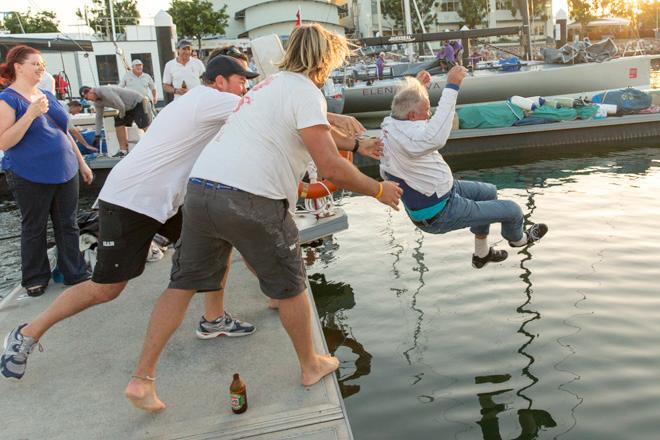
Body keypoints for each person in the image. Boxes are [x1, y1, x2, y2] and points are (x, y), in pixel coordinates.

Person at [124, 23, 402, 413]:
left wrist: (357, 143)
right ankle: (310, 364)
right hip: (250, 198)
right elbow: (331, 167)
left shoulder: (268, 86)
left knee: (182, 285)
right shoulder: (306, 91)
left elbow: (310, 133)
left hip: (202, 190)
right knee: (291, 284)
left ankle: (142, 379)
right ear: (325, 60)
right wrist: (378, 190)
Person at [0, 55, 259, 382]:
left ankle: (214, 318)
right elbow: (264, 110)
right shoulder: (213, 99)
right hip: (131, 201)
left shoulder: (200, 100)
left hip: (167, 199)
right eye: (241, 80)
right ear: (221, 82)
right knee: (106, 289)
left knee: (217, 241)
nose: (244, 87)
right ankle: (26, 332)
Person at [380, 67, 548, 269]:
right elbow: (437, 135)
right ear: (413, 116)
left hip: (442, 191)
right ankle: (519, 240)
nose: (430, 114)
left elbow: (402, 104)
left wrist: (419, 87)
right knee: (513, 210)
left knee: (488, 192)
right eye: (426, 112)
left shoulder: (392, 122)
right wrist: (452, 86)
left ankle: (481, 254)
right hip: (439, 213)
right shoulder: (414, 138)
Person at [0, 45, 93, 299]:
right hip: (29, 173)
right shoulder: (8, 99)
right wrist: (29, 115)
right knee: (34, 227)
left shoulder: (46, 95)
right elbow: (4, 141)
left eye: (42, 64)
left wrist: (82, 162)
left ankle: (75, 271)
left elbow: (62, 131)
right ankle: (35, 278)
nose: (41, 68)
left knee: (68, 223)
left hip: (65, 169)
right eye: (35, 64)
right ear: (18, 67)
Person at [79, 84, 152, 157]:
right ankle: (124, 151)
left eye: (87, 98)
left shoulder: (104, 91)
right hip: (126, 108)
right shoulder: (97, 103)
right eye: (86, 100)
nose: (89, 100)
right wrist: (97, 135)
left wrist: (122, 116)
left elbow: (120, 105)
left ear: (91, 91)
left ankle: (154, 144)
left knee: (144, 125)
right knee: (118, 124)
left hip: (137, 102)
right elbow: (98, 118)